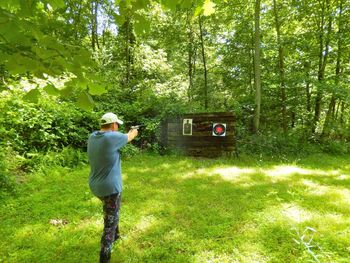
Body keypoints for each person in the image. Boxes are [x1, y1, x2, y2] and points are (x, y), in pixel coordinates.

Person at [87, 112, 138, 263]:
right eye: (117, 125)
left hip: (96, 186)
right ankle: (105, 256)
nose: (118, 128)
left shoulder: (93, 136)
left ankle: (116, 235)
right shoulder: (112, 137)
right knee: (110, 223)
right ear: (113, 125)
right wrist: (133, 131)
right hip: (110, 188)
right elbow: (129, 137)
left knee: (111, 212)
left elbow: (119, 137)